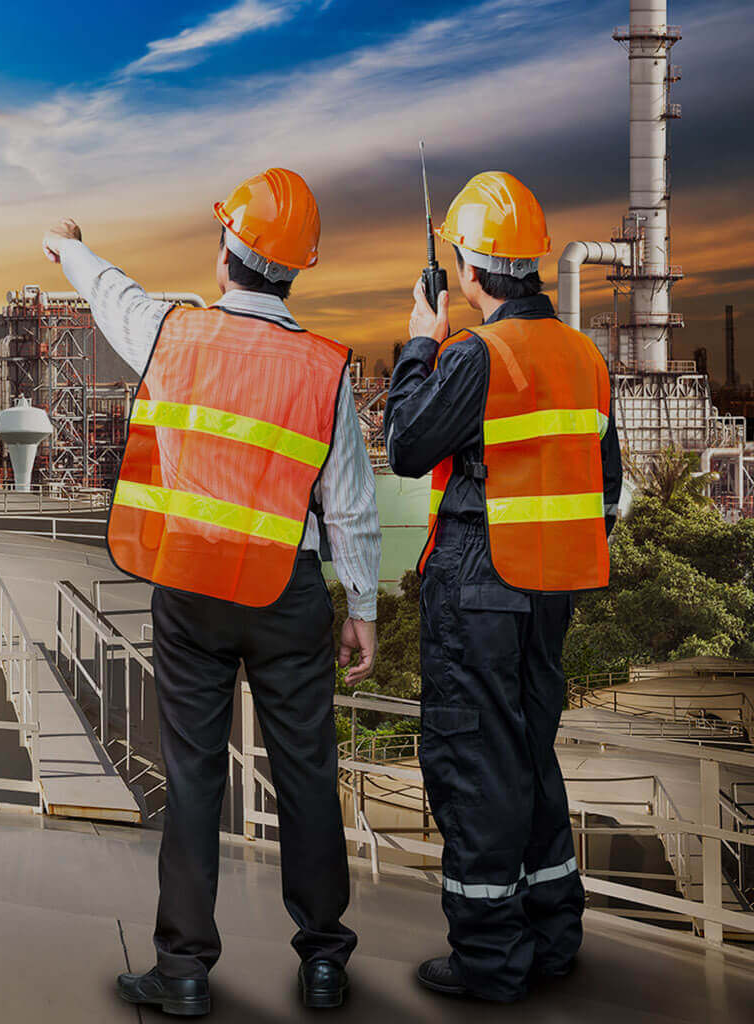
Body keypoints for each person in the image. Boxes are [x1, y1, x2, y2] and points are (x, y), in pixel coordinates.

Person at [44, 167, 380, 1017]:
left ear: (225, 248)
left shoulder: (174, 331)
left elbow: (112, 295)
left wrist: (72, 250)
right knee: (306, 770)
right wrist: (364, 608)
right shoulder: (324, 367)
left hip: (193, 587)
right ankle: (325, 960)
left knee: (193, 777)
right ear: (297, 267)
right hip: (287, 590)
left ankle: (185, 969)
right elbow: (349, 500)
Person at [385, 170, 622, 1002]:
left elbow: (408, 445)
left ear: (471, 270)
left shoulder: (480, 354)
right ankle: (554, 935)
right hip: (550, 587)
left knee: (472, 760)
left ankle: (490, 958)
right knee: (528, 752)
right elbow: (612, 493)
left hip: (480, 580)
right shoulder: (584, 356)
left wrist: (421, 342)